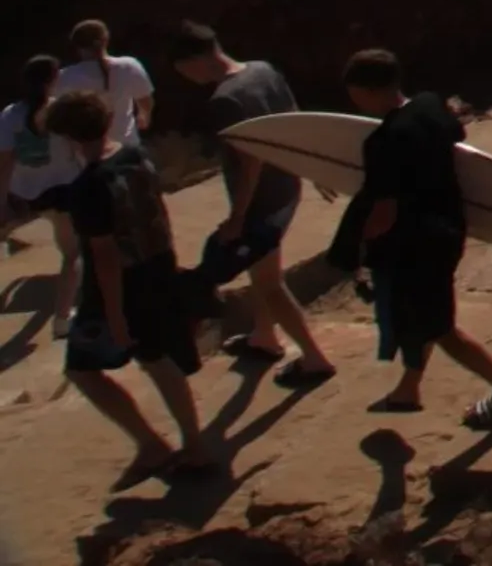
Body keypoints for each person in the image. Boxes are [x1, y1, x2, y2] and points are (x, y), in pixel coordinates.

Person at [341, 51, 492, 428]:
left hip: (418, 246)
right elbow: (457, 139)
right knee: (425, 315)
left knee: (442, 329)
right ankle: (407, 390)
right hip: (449, 228)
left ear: (365, 92)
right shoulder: (429, 105)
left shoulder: (385, 141)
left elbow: (384, 211)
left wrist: (362, 249)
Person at [39, 88, 214, 485]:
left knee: (83, 369)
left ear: (68, 138)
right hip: (158, 267)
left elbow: (104, 257)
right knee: (158, 359)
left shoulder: (89, 186)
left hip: (123, 286)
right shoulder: (135, 155)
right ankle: (194, 444)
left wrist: (115, 314)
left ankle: (151, 444)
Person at [166, 24, 331, 386]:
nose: (187, 80)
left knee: (269, 282)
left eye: (183, 71)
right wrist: (315, 168)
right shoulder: (263, 69)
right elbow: (295, 118)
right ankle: (264, 337)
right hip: (287, 185)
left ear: (196, 60)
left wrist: (237, 218)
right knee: (261, 275)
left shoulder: (225, 100)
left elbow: (250, 161)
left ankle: (315, 358)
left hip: (261, 202)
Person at [3, 53, 86, 291]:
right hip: (65, 190)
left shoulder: (10, 115)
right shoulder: (62, 109)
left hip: (29, 194)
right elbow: (80, 149)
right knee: (72, 254)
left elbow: (5, 161)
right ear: (54, 79)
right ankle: (65, 311)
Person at [55, 22, 154, 154]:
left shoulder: (65, 77)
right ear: (106, 40)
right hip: (126, 147)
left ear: (77, 46)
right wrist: (144, 116)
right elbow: (145, 100)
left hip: (87, 153)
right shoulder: (129, 66)